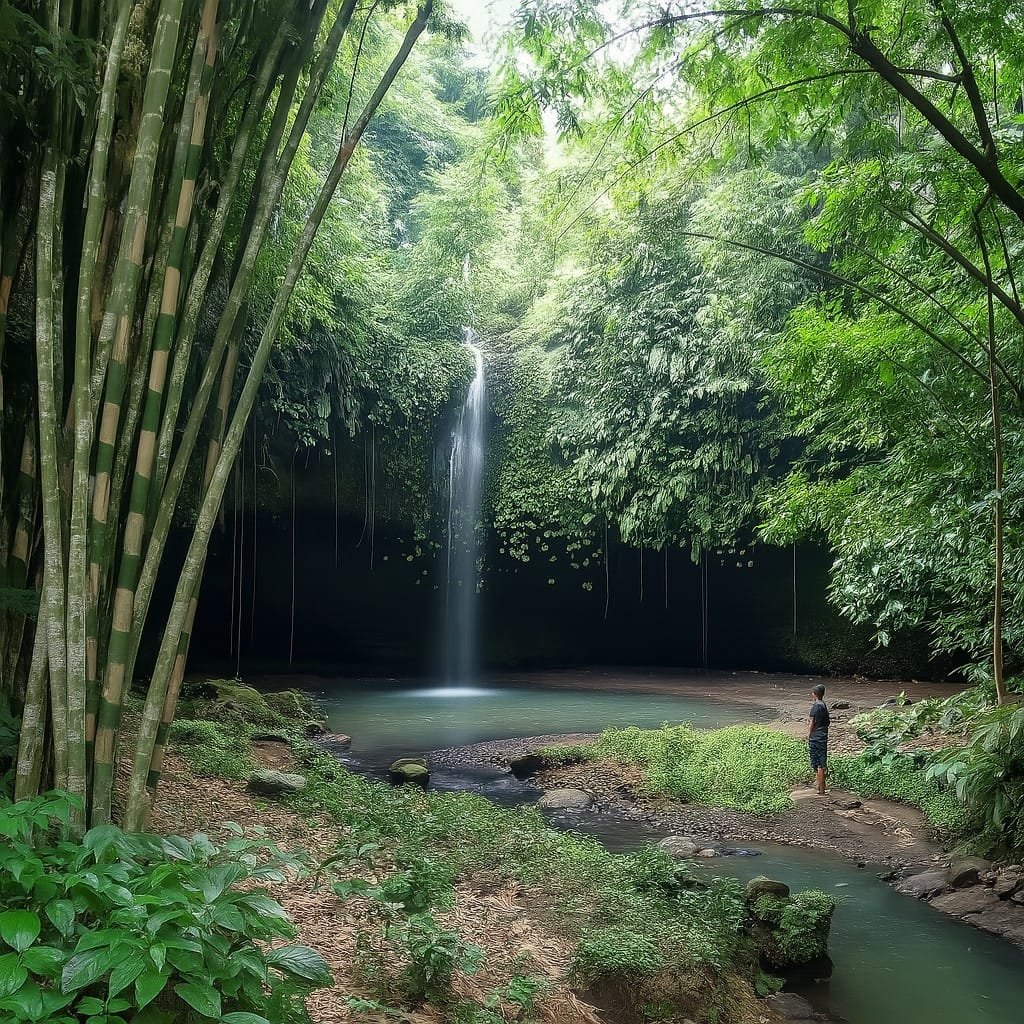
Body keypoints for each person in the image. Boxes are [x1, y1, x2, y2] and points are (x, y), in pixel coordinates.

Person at [807, 683, 830, 795]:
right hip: (823, 736)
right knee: (822, 762)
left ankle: (821, 790)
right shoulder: (824, 705)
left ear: (814, 694)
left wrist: (809, 735)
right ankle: (821, 788)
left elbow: (812, 723)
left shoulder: (815, 706)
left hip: (815, 738)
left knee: (818, 764)